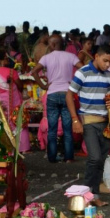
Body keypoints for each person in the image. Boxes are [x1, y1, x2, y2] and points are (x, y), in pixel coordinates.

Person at [66, 44, 110, 206]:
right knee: (94, 158)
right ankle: (85, 195)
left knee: (101, 160)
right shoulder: (82, 73)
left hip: (105, 124)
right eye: (105, 60)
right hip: (88, 123)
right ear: (96, 56)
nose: (108, 64)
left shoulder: (109, 75)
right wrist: (75, 119)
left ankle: (94, 196)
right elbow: (69, 95)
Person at [31, 35, 80, 163]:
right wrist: (76, 84)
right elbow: (83, 68)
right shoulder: (71, 56)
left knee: (52, 129)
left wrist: (43, 85)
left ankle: (52, 157)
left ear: (52, 45)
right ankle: (68, 157)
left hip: (52, 93)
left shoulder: (46, 58)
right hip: (67, 94)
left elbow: (34, 72)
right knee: (67, 129)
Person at [0, 48, 31, 154]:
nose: (8, 59)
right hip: (14, 101)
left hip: (1, 103)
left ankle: (5, 146)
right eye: (6, 57)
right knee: (19, 122)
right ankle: (23, 147)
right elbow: (20, 86)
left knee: (3, 122)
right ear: (1, 60)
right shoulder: (12, 72)